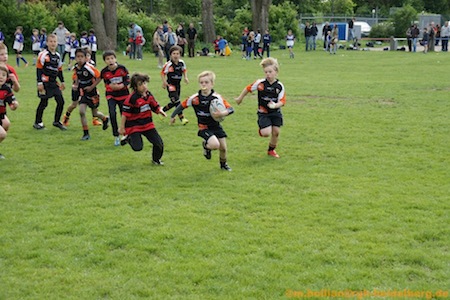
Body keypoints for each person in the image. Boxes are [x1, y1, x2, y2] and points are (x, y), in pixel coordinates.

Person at [170, 71, 234, 171]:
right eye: (201, 82)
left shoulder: (217, 98)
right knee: (215, 145)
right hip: (203, 127)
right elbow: (182, 105)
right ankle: (206, 146)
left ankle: (223, 165)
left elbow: (231, 109)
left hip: (215, 126)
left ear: (212, 84)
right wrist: (173, 115)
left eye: (206, 82)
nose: (204, 84)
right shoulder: (195, 98)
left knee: (223, 148)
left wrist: (222, 113)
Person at [235, 57, 286, 159]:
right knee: (266, 133)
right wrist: (240, 98)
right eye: (266, 72)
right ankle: (262, 129)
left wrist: (276, 105)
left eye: (270, 72)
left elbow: (282, 101)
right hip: (263, 112)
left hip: (275, 112)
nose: (268, 74)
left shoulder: (279, 86)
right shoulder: (260, 83)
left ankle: (271, 150)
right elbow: (248, 88)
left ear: (276, 72)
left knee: (276, 132)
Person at [119, 72, 166, 166]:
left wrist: (159, 110)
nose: (144, 86)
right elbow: (125, 114)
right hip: (134, 125)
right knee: (138, 147)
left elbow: (154, 105)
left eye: (144, 83)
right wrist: (122, 127)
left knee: (159, 143)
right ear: (135, 87)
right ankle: (129, 138)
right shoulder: (132, 98)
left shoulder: (148, 94)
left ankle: (156, 160)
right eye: (140, 84)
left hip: (147, 124)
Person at [71, 48, 109, 140]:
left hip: (93, 94)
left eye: (82, 57)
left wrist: (91, 87)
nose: (80, 59)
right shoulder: (75, 68)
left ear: (85, 58)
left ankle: (104, 119)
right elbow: (76, 79)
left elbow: (100, 77)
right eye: (78, 57)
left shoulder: (89, 67)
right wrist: (75, 85)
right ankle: (86, 133)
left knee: (95, 113)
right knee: (81, 111)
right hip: (83, 94)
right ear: (75, 58)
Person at [33, 34, 67, 130]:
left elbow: (59, 69)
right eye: (51, 41)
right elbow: (39, 69)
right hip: (44, 83)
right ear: (47, 43)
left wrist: (62, 81)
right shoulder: (43, 54)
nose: (53, 43)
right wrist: (39, 83)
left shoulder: (57, 56)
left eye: (54, 41)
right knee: (44, 102)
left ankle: (56, 121)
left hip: (54, 83)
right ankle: (37, 122)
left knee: (61, 101)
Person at [98, 50, 130, 146]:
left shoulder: (122, 68)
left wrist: (121, 86)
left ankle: (126, 134)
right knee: (112, 113)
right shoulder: (104, 72)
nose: (110, 60)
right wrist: (111, 86)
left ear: (115, 59)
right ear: (105, 61)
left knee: (124, 114)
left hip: (123, 94)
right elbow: (106, 82)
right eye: (107, 59)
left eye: (112, 58)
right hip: (111, 95)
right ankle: (116, 136)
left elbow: (128, 81)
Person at [160, 45, 189, 125]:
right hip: (170, 85)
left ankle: (163, 110)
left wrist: (185, 77)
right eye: (174, 53)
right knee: (177, 101)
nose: (176, 55)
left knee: (174, 102)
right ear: (171, 55)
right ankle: (182, 118)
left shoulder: (181, 63)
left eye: (177, 53)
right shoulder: (168, 64)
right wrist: (164, 82)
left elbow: (184, 70)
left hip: (178, 85)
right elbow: (162, 73)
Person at [0, 63, 19, 160]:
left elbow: (11, 105)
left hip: (1, 116)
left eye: (3, 75)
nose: (1, 77)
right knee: (2, 134)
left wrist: (14, 105)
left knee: (5, 125)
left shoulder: (6, 89)